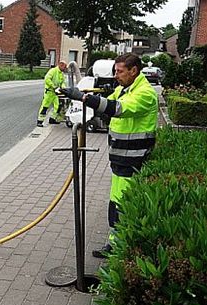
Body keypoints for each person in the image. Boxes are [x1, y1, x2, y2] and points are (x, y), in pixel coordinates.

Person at [60, 53, 158, 258]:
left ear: (134, 71)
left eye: (119, 71)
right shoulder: (125, 89)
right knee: (116, 201)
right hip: (121, 157)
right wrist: (94, 97)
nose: (116, 76)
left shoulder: (145, 93)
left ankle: (121, 248)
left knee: (122, 203)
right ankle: (115, 244)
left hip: (133, 158)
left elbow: (116, 108)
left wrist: (84, 97)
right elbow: (106, 104)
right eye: (114, 71)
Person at [37, 61, 68, 127]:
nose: (65, 69)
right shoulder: (53, 71)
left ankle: (52, 119)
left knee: (58, 106)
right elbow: (47, 79)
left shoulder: (61, 74)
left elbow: (62, 82)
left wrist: (64, 88)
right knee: (45, 107)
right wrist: (53, 86)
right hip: (49, 92)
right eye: (64, 67)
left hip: (55, 93)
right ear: (60, 65)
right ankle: (40, 121)